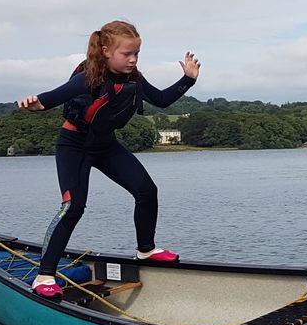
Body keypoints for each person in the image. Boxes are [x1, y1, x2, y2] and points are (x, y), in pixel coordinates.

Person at [17, 19, 201, 297]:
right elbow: (48, 100)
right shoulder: (88, 78)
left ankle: (146, 250)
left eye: (136, 53)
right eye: (127, 54)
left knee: (147, 191)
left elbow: (161, 100)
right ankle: (44, 276)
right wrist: (32, 105)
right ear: (105, 51)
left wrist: (188, 79)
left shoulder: (134, 79)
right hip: (75, 146)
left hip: (106, 146)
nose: (133, 59)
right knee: (74, 206)